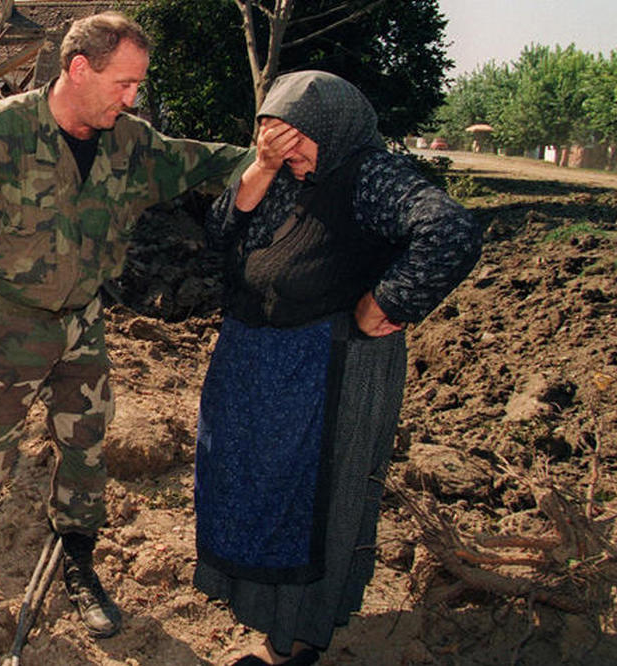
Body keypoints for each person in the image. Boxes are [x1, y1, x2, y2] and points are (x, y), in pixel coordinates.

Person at [0, 11, 289, 646]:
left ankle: (78, 563)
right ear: (79, 70)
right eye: (124, 84)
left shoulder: (131, 142)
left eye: (138, 86)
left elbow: (211, 166)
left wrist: (269, 158)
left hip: (81, 323)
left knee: (86, 449)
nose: (133, 98)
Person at [192, 71, 482, 665]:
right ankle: (269, 625)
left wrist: (388, 302)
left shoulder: (368, 174)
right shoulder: (282, 173)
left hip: (328, 372)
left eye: (296, 140)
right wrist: (264, 166)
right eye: (273, 140)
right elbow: (220, 232)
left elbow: (450, 229)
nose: (288, 153)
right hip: (262, 367)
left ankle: (297, 644)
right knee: (260, 489)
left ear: (334, 129)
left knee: (315, 504)